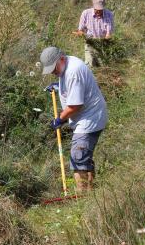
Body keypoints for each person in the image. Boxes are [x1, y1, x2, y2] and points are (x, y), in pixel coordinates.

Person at [40, 46, 108, 192]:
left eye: (54, 68)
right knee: (84, 157)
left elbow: (75, 105)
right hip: (88, 116)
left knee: (78, 157)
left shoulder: (73, 71)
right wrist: (59, 86)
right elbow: (73, 86)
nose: (53, 72)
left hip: (90, 118)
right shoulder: (68, 65)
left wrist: (59, 119)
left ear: (61, 59)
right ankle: (90, 194)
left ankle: (82, 195)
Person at [72, 0, 114, 68]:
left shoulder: (109, 14)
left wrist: (105, 40)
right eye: (96, 9)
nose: (98, 11)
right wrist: (81, 34)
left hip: (103, 45)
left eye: (100, 10)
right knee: (89, 66)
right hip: (90, 43)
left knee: (103, 67)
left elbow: (109, 34)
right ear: (93, 5)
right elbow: (81, 30)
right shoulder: (86, 13)